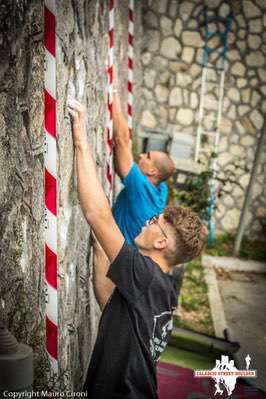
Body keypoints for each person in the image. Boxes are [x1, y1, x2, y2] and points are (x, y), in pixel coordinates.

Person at [68, 99, 207, 399]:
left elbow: (97, 214)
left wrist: (80, 141)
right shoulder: (164, 286)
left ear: (161, 243)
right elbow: (113, 303)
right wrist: (100, 253)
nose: (148, 221)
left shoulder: (143, 274)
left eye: (155, 221)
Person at [112, 69, 175, 245]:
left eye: (146, 156)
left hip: (116, 255)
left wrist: (114, 92)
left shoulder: (140, 188)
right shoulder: (161, 189)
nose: (141, 155)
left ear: (153, 171)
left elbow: (122, 140)